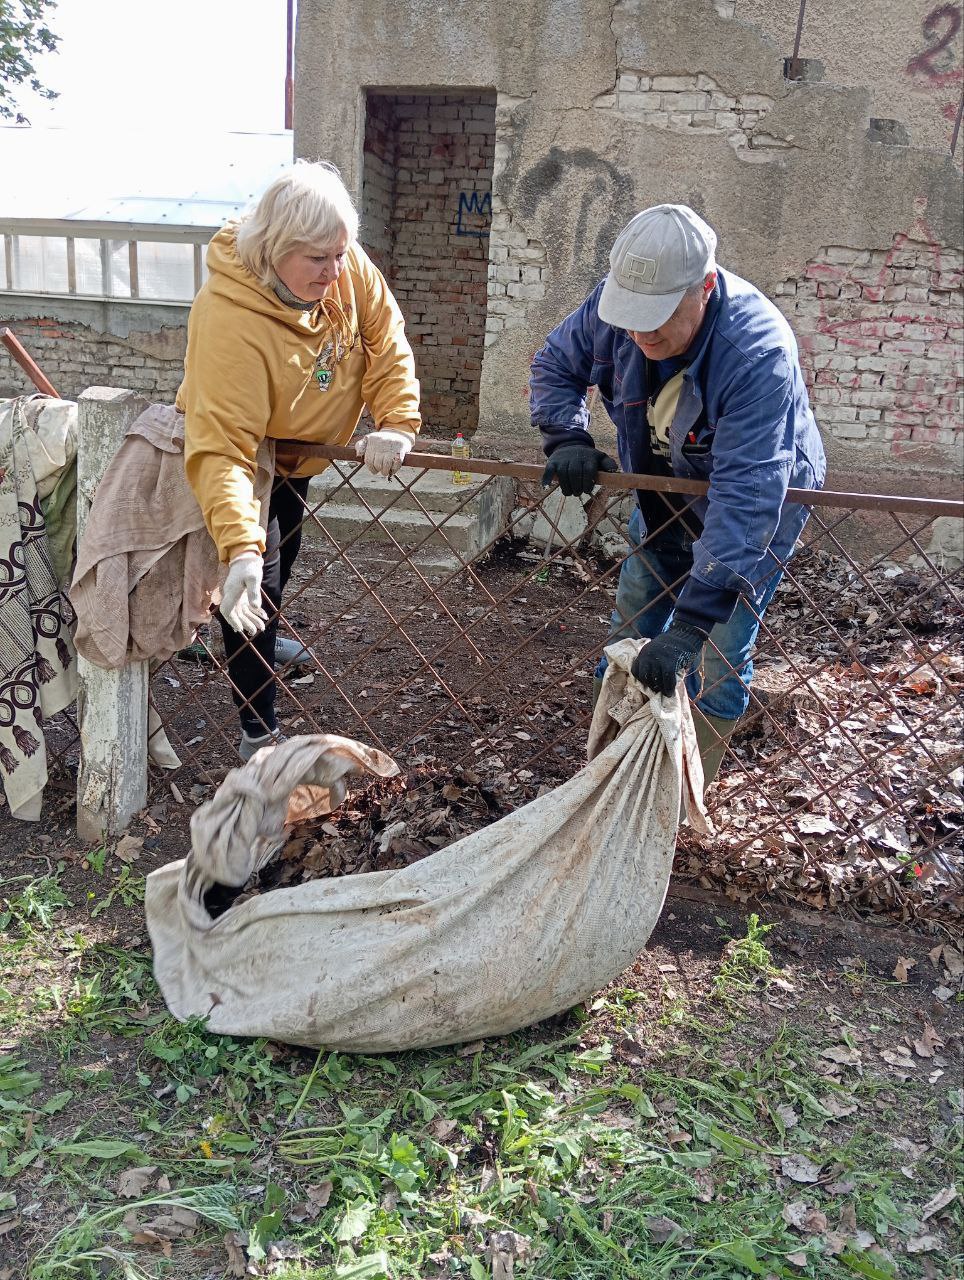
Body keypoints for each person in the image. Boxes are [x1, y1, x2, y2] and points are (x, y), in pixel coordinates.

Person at [531, 204, 826, 786]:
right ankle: (608, 776)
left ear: (705, 288)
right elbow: (556, 364)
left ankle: (685, 793)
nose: (641, 334)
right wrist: (566, 435)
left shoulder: (756, 351)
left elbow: (747, 496)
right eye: (631, 318)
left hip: (755, 507)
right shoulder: (613, 310)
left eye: (659, 318)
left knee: (720, 652)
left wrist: (691, 625)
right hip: (663, 494)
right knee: (632, 624)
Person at [178, 161, 422, 760]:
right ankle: (257, 733)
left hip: (300, 458)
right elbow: (224, 445)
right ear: (275, 248)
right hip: (249, 457)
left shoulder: (344, 264)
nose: (335, 271)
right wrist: (240, 546)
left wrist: (395, 421)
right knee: (251, 581)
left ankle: (259, 635)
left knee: (282, 563)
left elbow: (384, 338)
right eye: (318, 259)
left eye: (340, 254)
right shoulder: (228, 316)